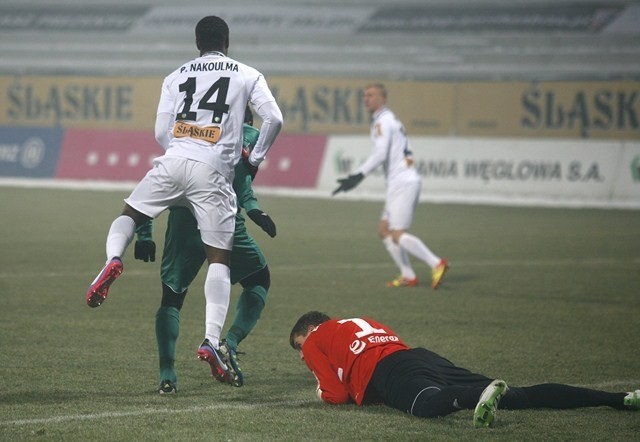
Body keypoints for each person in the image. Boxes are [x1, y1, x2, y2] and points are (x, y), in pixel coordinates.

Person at [85, 15, 283, 386]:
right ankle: (212, 340)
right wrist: (252, 161)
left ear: (196, 42)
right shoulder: (247, 74)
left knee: (130, 214)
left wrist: (183, 147)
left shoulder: (175, 76)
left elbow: (161, 131)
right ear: (227, 41)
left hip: (173, 163)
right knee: (220, 261)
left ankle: (112, 259)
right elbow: (274, 117)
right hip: (212, 176)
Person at [289, 311, 640, 428]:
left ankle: (474, 398)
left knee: (428, 405)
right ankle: (619, 398)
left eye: (299, 347)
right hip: (420, 358)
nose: (302, 356)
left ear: (310, 330)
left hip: (390, 370)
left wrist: (322, 391)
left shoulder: (316, 339)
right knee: (522, 395)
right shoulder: (357, 321)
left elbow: (337, 395)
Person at [135, 108, 276, 393]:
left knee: (171, 299)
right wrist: (254, 209)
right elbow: (242, 176)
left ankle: (167, 375)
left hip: (182, 225)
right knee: (258, 280)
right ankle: (227, 342)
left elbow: (156, 185)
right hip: (224, 222)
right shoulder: (247, 132)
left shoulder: (184, 134)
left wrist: (144, 232)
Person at [333, 83, 447, 289]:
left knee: (396, 233)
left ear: (382, 98)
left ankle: (436, 263)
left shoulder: (383, 122)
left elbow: (380, 153)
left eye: (371, 95)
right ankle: (408, 275)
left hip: (403, 182)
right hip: (399, 181)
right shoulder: (386, 120)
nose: (366, 99)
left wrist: (358, 175)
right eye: (364, 95)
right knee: (384, 230)